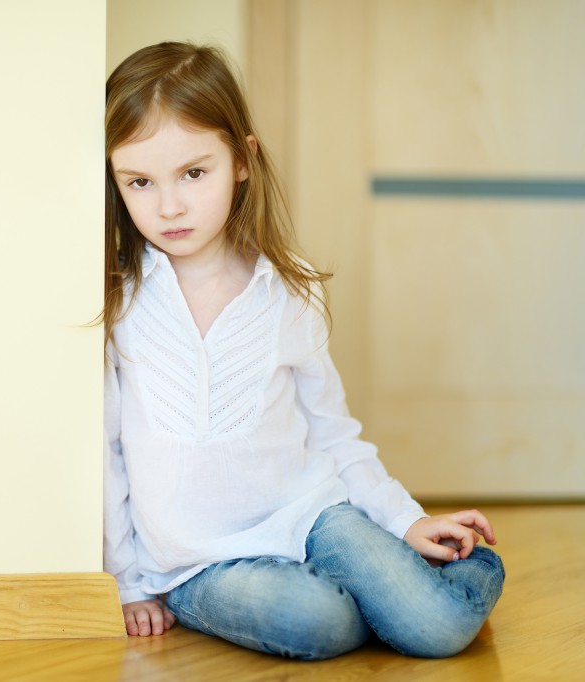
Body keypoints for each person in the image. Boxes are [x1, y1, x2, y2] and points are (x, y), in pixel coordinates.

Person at [102, 41, 504, 660]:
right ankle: (378, 602)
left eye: (194, 172)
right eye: (139, 182)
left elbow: (333, 433)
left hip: (315, 515)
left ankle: (458, 576)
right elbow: (109, 457)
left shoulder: (290, 291)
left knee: (436, 628)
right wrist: (129, 582)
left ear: (242, 159)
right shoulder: (120, 304)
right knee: (314, 622)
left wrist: (404, 521)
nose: (170, 205)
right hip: (199, 563)